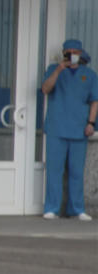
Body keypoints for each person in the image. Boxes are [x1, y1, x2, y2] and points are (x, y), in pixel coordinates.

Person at [40, 38, 98, 220]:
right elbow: (45, 89)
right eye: (68, 52)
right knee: (54, 170)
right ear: (64, 53)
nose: (72, 55)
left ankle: (77, 209)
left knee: (76, 172)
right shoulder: (53, 70)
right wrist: (59, 69)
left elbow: (95, 100)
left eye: (75, 52)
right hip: (57, 128)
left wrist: (91, 123)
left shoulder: (89, 75)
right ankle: (51, 208)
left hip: (79, 130)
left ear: (81, 54)